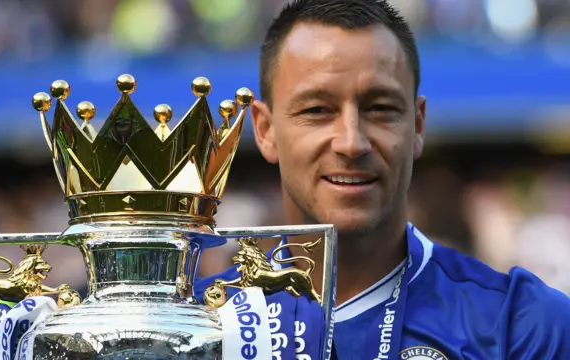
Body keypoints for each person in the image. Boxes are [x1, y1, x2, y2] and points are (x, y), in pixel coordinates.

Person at [195, 0, 570, 359]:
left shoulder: (522, 325)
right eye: (317, 110)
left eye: (380, 108)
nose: (351, 142)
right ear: (265, 130)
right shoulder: (199, 325)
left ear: (418, 125)